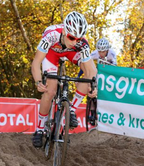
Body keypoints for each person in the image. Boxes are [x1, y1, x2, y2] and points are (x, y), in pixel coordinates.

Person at [31, 11, 97, 148]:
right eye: (72, 38)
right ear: (65, 31)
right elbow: (36, 63)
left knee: (88, 76)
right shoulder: (50, 35)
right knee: (50, 91)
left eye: (79, 39)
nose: (75, 42)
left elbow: (91, 70)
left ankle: (71, 110)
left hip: (72, 54)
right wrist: (38, 81)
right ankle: (39, 129)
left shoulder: (81, 44)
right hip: (52, 53)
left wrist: (94, 85)